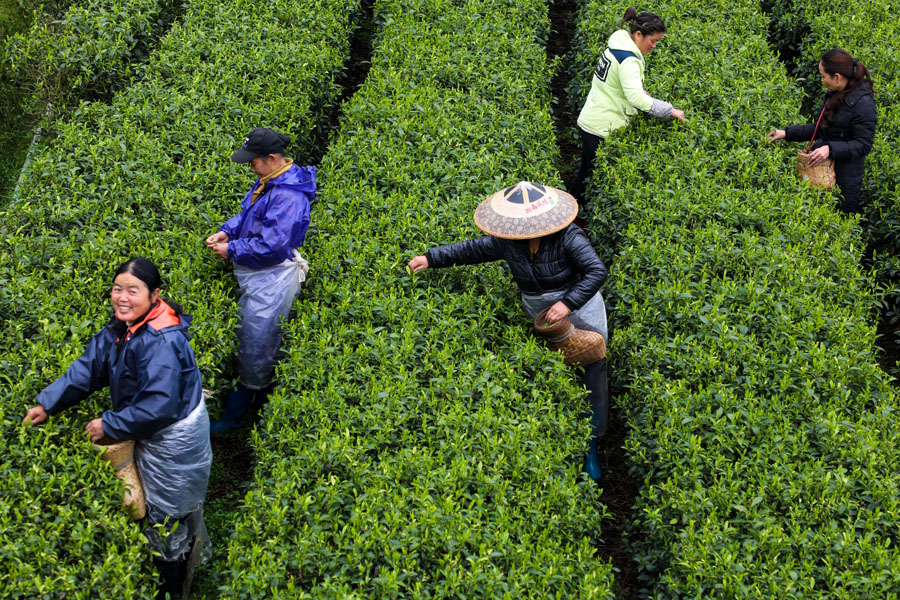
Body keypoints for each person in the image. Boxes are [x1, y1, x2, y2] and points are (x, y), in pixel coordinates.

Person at [23, 257, 212, 600]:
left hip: (175, 434)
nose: (122, 297)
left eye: (133, 290)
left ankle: (173, 584)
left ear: (155, 295)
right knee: (152, 506)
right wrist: (47, 403)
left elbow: (160, 404)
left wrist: (108, 422)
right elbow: (91, 367)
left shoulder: (162, 340)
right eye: (117, 289)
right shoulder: (124, 326)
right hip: (150, 422)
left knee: (167, 513)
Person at [408, 182, 610, 481]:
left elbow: (596, 271)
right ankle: (561, 438)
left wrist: (566, 304)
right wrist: (432, 258)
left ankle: (591, 445)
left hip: (578, 308)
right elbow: (473, 249)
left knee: (590, 367)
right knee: (554, 370)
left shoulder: (569, 236)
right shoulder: (510, 241)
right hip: (539, 311)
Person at [206, 127, 315, 433]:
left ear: (271, 158)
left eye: (252, 161)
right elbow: (249, 214)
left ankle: (237, 416)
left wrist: (232, 250)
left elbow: (272, 246)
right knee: (254, 338)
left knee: (256, 344)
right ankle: (247, 405)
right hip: (259, 272)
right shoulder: (269, 180)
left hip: (273, 278)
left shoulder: (288, 196)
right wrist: (228, 230)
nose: (249, 166)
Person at [570, 7, 685, 205]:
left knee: (587, 171)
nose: (654, 46)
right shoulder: (629, 60)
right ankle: (571, 219)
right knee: (588, 176)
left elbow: (613, 84)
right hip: (601, 125)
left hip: (594, 116)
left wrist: (636, 92)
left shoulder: (617, 46)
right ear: (638, 35)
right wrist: (669, 110)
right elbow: (637, 100)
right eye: (653, 41)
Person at [767, 48, 877, 214]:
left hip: (845, 180)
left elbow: (863, 144)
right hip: (821, 172)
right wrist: (786, 133)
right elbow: (821, 128)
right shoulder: (836, 94)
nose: (821, 80)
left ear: (837, 77)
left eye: (823, 76)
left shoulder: (863, 104)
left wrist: (830, 149)